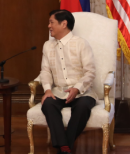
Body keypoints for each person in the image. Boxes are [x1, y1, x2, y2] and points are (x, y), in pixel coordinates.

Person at [40, 10, 98, 154]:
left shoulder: (81, 44)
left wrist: (77, 89)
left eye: (51, 22)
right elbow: (45, 71)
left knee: (83, 106)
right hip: (59, 91)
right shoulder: (47, 45)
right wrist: (47, 89)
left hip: (82, 92)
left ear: (64, 24)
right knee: (47, 103)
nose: (49, 26)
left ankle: (64, 146)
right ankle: (65, 147)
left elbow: (90, 72)